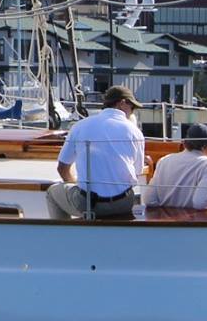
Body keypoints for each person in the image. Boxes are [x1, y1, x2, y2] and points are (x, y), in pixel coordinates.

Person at [47, 85, 145, 220]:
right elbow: (138, 171)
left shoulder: (79, 126)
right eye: (132, 107)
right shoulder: (135, 132)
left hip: (90, 204)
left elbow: (62, 168)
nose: (132, 112)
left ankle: (64, 236)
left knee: (52, 193)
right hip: (123, 204)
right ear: (122, 103)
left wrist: (75, 184)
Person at [144, 123, 207, 216]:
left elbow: (149, 200)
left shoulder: (164, 161)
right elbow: (201, 203)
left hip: (164, 225)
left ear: (184, 143)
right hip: (191, 226)